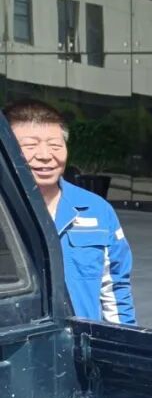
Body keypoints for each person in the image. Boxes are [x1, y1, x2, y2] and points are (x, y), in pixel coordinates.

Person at [3, 99, 136, 324]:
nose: (45, 155)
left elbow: (115, 289)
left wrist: (123, 340)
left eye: (55, 146)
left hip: (78, 341)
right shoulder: (3, 212)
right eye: (30, 146)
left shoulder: (96, 209)